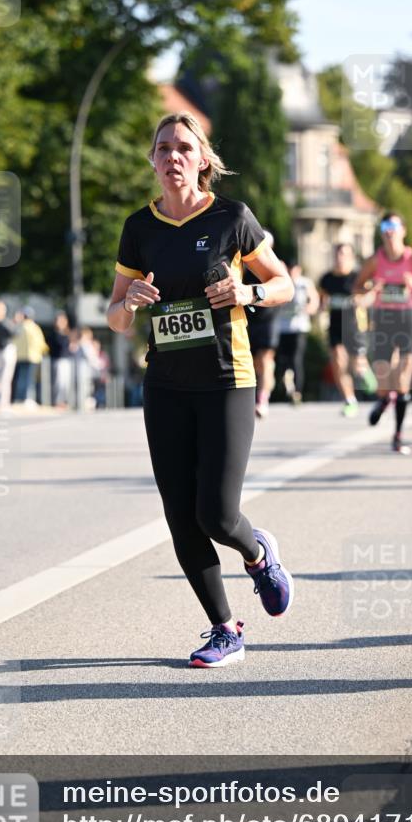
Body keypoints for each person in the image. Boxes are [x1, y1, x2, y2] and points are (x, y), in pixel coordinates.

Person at [107, 111, 295, 667]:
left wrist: (247, 293)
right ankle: (224, 629)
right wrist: (128, 303)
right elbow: (115, 316)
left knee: (216, 514)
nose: (173, 157)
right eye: (163, 148)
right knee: (180, 515)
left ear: (203, 160)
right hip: (166, 385)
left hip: (226, 380)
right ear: (152, 160)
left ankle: (258, 555)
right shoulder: (139, 228)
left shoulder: (232, 217)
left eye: (184, 148)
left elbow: (283, 283)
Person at [353, 212, 412, 453]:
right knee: (384, 381)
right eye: (385, 226)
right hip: (383, 320)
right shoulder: (375, 260)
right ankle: (384, 400)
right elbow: (357, 287)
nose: (389, 231)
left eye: (394, 226)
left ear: (403, 231)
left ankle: (398, 436)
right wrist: (371, 287)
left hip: (407, 320)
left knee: (402, 380)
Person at [319, 243, 376, 417]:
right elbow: (322, 299)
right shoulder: (327, 278)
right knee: (338, 362)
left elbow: (371, 294)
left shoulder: (357, 276)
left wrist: (362, 300)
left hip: (355, 326)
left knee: (357, 364)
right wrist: (321, 307)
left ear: (351, 257)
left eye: (344, 254)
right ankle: (349, 400)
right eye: (337, 254)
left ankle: (368, 378)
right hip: (335, 325)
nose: (340, 258)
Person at [245, 232, 282, 419]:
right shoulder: (244, 265)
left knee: (266, 359)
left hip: (269, 319)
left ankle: (263, 399)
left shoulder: (277, 267)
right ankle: (256, 395)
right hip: (249, 318)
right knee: (254, 363)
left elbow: (285, 290)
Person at [277, 262, 319, 404]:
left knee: (296, 359)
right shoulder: (282, 282)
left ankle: (297, 392)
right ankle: (287, 381)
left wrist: (309, 308)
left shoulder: (305, 283)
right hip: (283, 328)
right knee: (283, 360)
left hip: (299, 327)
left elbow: (314, 300)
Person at [14, 306, 48, 404]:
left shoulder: (18, 327)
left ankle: (19, 398)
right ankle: (26, 398)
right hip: (32, 357)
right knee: (29, 379)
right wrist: (45, 351)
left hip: (20, 356)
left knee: (21, 378)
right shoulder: (33, 327)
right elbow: (40, 343)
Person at [48, 311, 72, 409]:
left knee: (66, 383)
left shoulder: (67, 334)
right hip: (57, 360)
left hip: (67, 360)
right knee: (58, 382)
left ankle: (64, 401)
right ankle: (57, 401)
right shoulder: (54, 334)